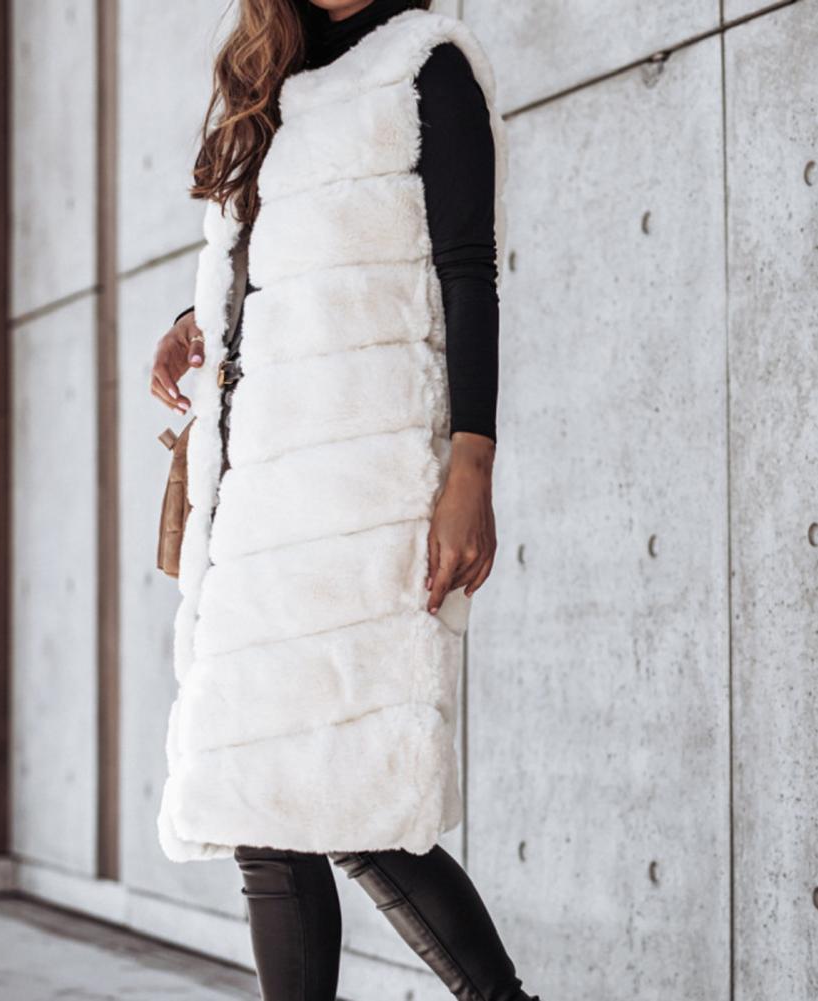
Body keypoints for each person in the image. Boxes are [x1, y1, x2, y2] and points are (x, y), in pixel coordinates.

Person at [150, 2, 540, 998]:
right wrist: (196, 319)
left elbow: (465, 273)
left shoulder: (424, 66)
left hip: (364, 490)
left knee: (361, 805)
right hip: (257, 504)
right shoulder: (266, 83)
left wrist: (471, 466)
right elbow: (292, 273)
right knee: (264, 808)